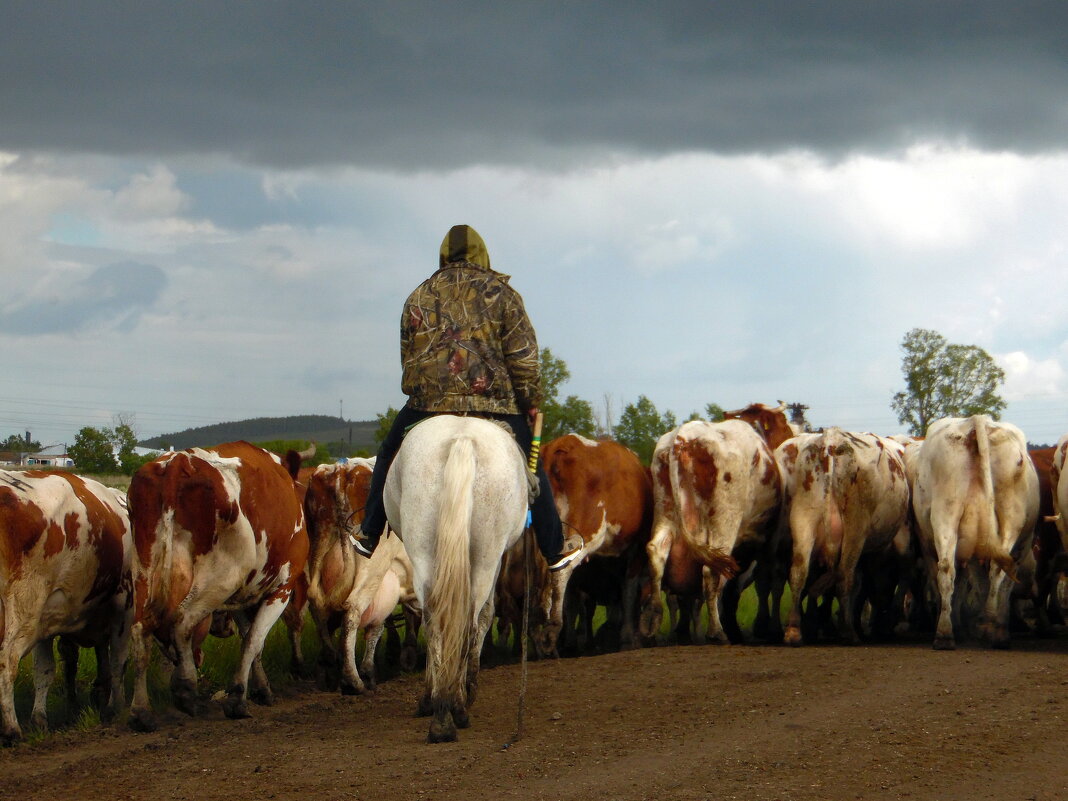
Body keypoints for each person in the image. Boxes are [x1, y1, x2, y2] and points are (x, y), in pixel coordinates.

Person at [355, 224, 582, 572]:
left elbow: (407, 356)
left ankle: (369, 531)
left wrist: (423, 388)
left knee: (387, 454)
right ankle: (553, 548)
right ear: (481, 252)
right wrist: (531, 400)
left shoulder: (418, 295)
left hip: (427, 405)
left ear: (444, 253)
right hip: (495, 406)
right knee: (534, 471)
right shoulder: (503, 294)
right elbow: (522, 355)